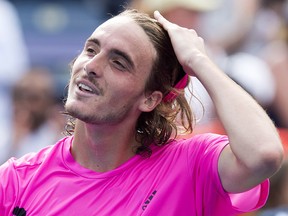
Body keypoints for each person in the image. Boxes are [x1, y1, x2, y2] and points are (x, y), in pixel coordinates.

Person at [0, 9, 284, 216]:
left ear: (150, 98)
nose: (91, 65)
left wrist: (199, 60)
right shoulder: (15, 181)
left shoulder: (192, 166)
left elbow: (263, 154)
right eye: (90, 49)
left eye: (119, 63)